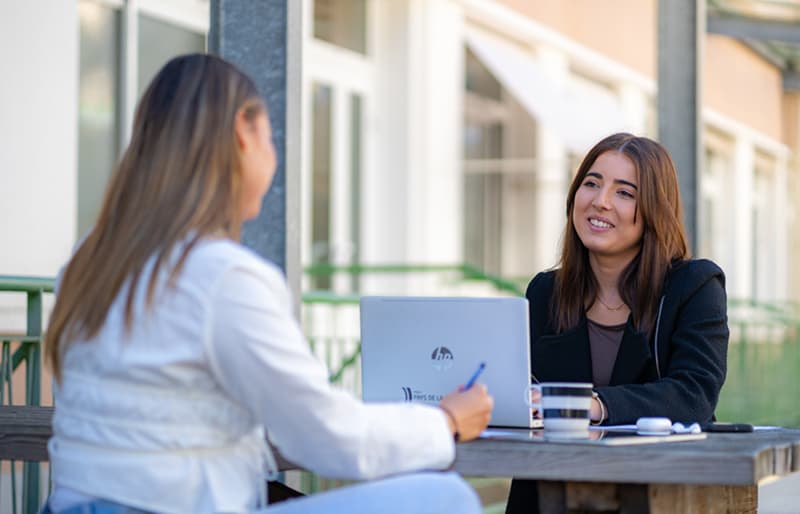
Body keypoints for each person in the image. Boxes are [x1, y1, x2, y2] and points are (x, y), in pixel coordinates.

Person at [43, 53, 493, 514]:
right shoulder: (222, 276)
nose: (273, 154)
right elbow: (328, 436)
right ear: (243, 131)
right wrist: (445, 421)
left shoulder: (89, 259)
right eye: (270, 136)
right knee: (447, 498)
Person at [505, 133, 729, 513]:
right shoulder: (545, 291)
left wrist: (594, 405)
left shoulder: (694, 286)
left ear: (655, 210)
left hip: (657, 492)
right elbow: (528, 391)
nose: (601, 201)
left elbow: (694, 394)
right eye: (591, 184)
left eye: (624, 192)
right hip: (552, 489)